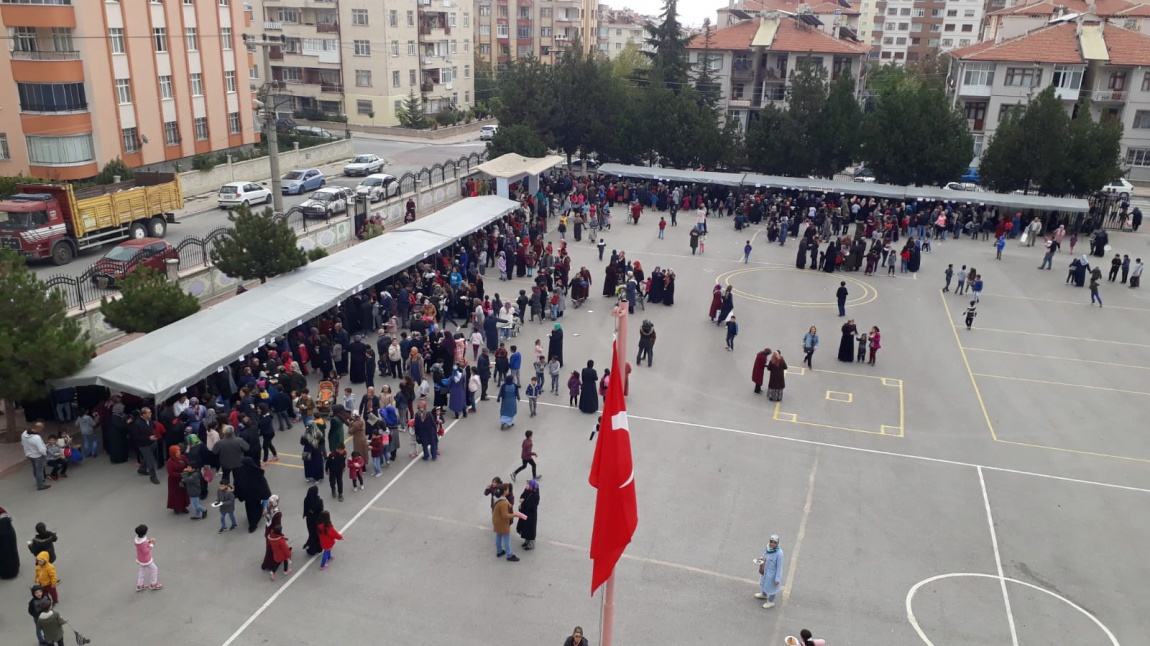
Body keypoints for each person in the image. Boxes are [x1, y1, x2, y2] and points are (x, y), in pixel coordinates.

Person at [234, 456, 272, 532]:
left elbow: (237, 484)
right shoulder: (257, 472)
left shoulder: (240, 473)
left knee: (250, 510)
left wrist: (238, 494)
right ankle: (256, 519)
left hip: (248, 497)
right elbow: (263, 485)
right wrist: (266, 494)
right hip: (257, 496)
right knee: (257, 507)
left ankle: (252, 525)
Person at [754, 534, 785, 609]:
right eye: (771, 541)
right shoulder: (768, 547)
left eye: (774, 542)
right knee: (764, 583)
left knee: (772, 588)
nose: (772, 544)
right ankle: (764, 594)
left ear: (777, 543)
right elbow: (764, 555)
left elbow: (779, 567)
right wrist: (760, 560)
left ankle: (771, 602)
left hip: (772, 574)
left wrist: (777, 578)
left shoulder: (779, 553)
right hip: (766, 570)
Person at [492, 484, 520, 562]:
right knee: (507, 539)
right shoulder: (503, 503)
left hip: (496, 521)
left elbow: (507, 505)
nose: (508, 490)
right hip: (502, 523)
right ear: (504, 492)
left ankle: (499, 551)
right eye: (507, 489)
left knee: (498, 535)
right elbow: (505, 515)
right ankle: (509, 555)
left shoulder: (498, 498)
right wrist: (515, 515)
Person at [21, 422, 50, 491]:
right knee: (39, 471)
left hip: (30, 455)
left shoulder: (24, 433)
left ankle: (37, 481)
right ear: (38, 428)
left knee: (35, 469)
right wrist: (45, 453)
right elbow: (41, 450)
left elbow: (23, 444)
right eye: (42, 428)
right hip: (38, 456)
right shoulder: (36, 438)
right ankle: (40, 485)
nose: (42, 430)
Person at [133, 524, 161, 592]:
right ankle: (153, 584)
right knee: (154, 569)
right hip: (146, 559)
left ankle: (140, 585)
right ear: (145, 532)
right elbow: (146, 551)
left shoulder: (137, 539)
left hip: (140, 558)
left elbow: (143, 545)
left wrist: (148, 541)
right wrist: (152, 544)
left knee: (141, 571)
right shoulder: (142, 543)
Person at [166, 445, 190, 515]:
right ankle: (176, 507)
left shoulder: (183, 457)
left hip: (183, 479)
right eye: (177, 451)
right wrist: (181, 474)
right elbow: (171, 473)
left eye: (179, 451)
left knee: (183, 493)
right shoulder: (170, 462)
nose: (179, 452)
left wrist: (188, 468)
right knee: (175, 494)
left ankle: (183, 507)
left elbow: (188, 464)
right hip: (174, 481)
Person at [517, 479, 540, 550]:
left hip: (531, 515)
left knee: (530, 529)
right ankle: (526, 542)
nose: (526, 486)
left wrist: (523, 502)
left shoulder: (535, 495)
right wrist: (522, 498)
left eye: (528, 485)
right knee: (525, 528)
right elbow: (522, 495)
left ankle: (531, 545)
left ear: (532, 486)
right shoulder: (527, 490)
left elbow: (531, 505)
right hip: (525, 512)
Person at [302, 485, 325, 556]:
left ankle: (311, 549)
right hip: (317, 520)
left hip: (309, 520)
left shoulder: (306, 499)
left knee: (312, 533)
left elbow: (305, 509)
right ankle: (318, 548)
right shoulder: (319, 501)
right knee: (317, 534)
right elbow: (321, 510)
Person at [0, 507, 19, 580]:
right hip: (9, 534)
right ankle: (14, 568)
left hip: (3, 538)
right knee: (12, 552)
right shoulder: (2, 512)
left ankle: (7, 572)